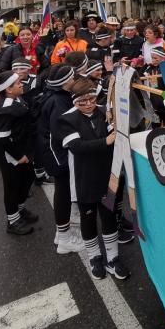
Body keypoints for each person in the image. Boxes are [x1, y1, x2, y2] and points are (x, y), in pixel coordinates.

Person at [55, 79, 129, 280]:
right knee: (88, 220)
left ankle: (113, 258)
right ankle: (94, 257)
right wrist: (106, 140)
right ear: (74, 102)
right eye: (82, 101)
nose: (88, 104)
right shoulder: (66, 119)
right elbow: (77, 147)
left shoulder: (105, 111)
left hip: (108, 175)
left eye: (92, 99)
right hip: (84, 178)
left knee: (109, 216)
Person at [38, 64, 84, 254]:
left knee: (62, 193)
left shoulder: (57, 96)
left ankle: (62, 233)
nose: (76, 80)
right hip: (58, 156)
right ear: (66, 82)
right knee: (63, 194)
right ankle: (64, 240)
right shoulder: (58, 102)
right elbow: (60, 132)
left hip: (54, 154)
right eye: (73, 77)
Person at [0, 70, 38, 235]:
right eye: (18, 83)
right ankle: (13, 220)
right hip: (9, 153)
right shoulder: (6, 107)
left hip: (21, 149)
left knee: (27, 179)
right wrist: (19, 156)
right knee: (12, 186)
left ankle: (20, 209)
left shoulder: (17, 98)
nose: (21, 84)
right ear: (8, 90)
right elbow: (2, 137)